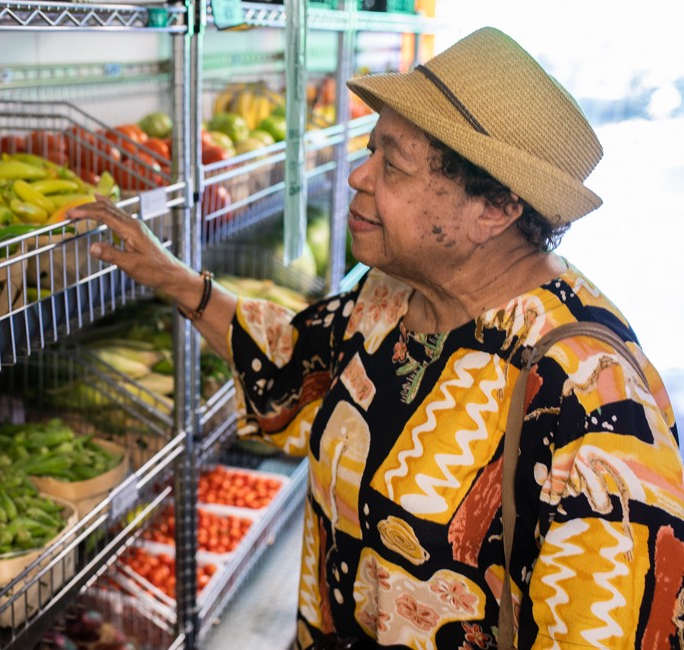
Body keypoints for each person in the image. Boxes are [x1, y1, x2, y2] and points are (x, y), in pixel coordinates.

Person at [69, 27, 684, 649]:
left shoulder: (594, 402)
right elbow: (294, 361)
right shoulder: (389, 296)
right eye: (371, 150)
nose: (359, 176)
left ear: (495, 208)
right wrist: (178, 282)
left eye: (393, 164)